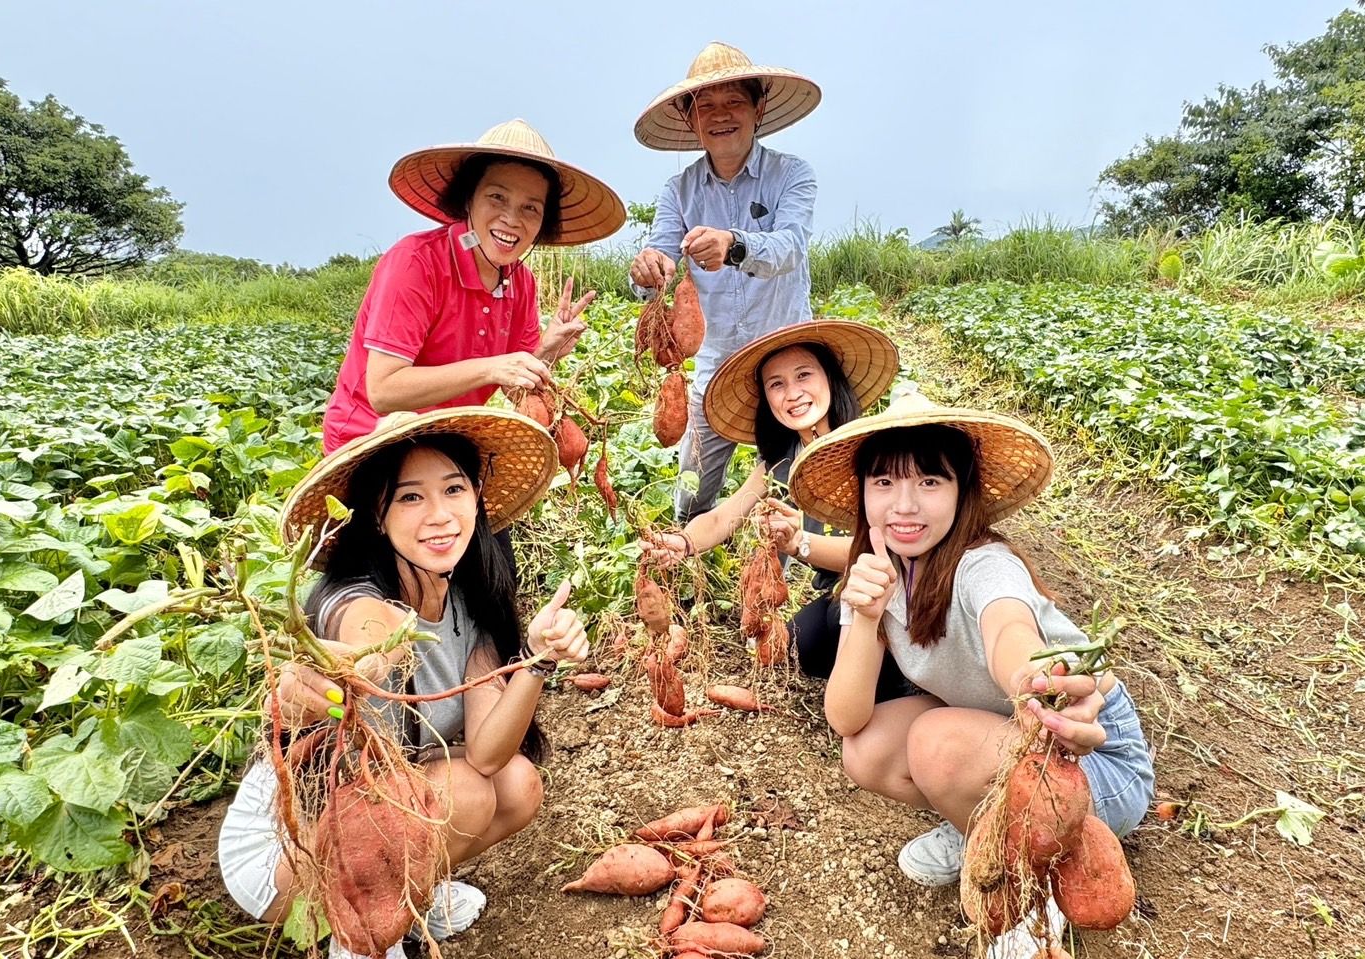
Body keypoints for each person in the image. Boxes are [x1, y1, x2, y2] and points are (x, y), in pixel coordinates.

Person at [789, 393, 1154, 958]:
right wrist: (863, 616)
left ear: (962, 494)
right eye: (884, 482)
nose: (904, 505)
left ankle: (1033, 901)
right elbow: (846, 717)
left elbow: (1009, 632)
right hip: (1001, 740)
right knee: (869, 751)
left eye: (930, 482)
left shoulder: (985, 565)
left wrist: (1037, 682)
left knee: (938, 742)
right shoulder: (878, 570)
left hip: (1091, 760)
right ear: (863, 493)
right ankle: (979, 830)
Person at [217, 408, 589, 959]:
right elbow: (367, 640)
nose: (439, 516)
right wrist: (338, 671)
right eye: (410, 497)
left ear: (476, 497)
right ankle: (363, 938)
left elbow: (487, 754)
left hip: (373, 820)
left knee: (515, 784)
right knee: (459, 793)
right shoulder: (357, 599)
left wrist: (537, 661)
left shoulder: (469, 601)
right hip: (282, 848)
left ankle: (406, 900)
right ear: (377, 513)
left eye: (454, 489)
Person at [636, 320, 908, 697]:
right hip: (838, 589)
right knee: (801, 645)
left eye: (803, 376)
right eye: (776, 384)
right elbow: (724, 515)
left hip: (896, 586)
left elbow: (885, 555)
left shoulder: (871, 449)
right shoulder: (781, 462)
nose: (792, 394)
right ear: (767, 399)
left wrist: (800, 544)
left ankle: (904, 679)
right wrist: (682, 543)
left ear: (830, 378)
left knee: (842, 618)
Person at [322, 118, 625, 454]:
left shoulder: (520, 282)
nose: (511, 219)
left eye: (531, 208)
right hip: (371, 440)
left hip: (448, 441)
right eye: (497, 197)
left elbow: (514, 390)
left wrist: (545, 354)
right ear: (468, 198)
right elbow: (383, 390)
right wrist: (492, 367)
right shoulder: (416, 262)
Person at [629, 42, 821, 522]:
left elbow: (791, 246)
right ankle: (688, 569)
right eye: (706, 106)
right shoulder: (679, 190)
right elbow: (660, 254)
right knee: (693, 489)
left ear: (758, 109)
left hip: (786, 356)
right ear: (691, 120)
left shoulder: (792, 174)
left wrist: (734, 245)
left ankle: (810, 568)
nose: (721, 116)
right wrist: (649, 270)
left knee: (799, 481)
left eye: (734, 101)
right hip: (714, 363)